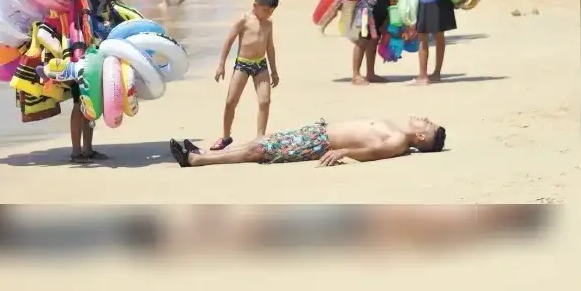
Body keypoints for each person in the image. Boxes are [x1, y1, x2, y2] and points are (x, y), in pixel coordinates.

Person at [169, 116, 446, 167]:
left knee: (260, 150)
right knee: (263, 141)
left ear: (421, 137)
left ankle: (198, 159)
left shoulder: (398, 140)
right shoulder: (398, 133)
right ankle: (202, 152)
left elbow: (373, 152)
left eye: (427, 123)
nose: (423, 118)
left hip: (320, 142)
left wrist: (342, 152)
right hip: (319, 132)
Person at [210, 0, 280, 150]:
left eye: (271, 11)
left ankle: (260, 137)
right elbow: (229, 40)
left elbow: (270, 47)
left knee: (265, 101)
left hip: (261, 65)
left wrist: (274, 71)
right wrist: (221, 64)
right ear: (255, 6)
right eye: (265, 10)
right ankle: (226, 137)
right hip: (242, 64)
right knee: (231, 101)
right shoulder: (244, 20)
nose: (269, 14)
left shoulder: (268, 23)